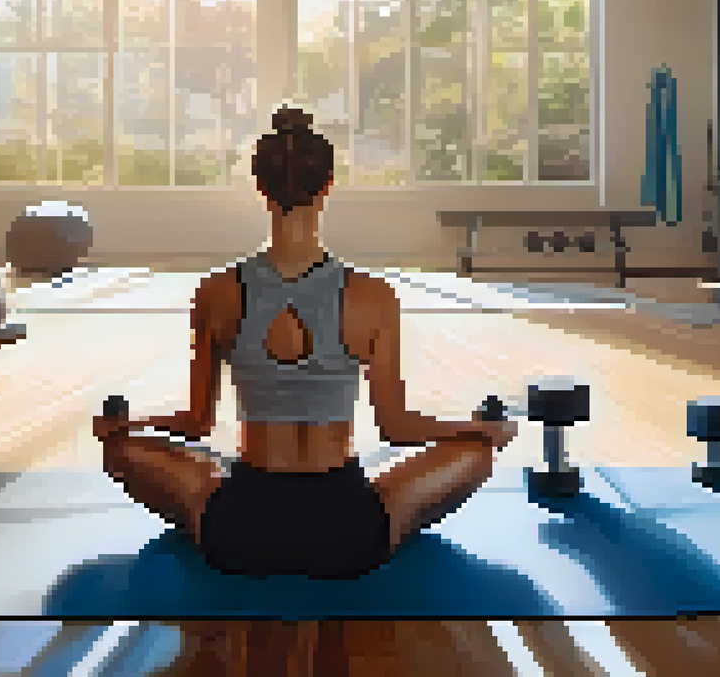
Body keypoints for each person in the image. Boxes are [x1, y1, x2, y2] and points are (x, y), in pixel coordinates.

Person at [92, 106, 517, 579]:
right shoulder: (372, 296)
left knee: (120, 451)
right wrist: (479, 430)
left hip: (238, 529)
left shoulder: (215, 293)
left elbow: (195, 423)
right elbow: (397, 428)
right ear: (329, 185)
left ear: (260, 187)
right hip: (348, 531)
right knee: (475, 455)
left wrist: (127, 425)